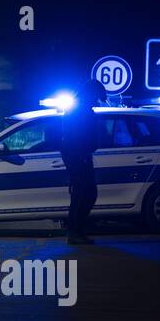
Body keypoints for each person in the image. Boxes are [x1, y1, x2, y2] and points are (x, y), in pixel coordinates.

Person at [60, 78, 106, 245]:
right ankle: (74, 231)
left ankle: (76, 230)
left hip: (81, 156)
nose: (97, 101)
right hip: (79, 157)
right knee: (83, 195)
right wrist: (80, 157)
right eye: (96, 97)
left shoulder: (80, 109)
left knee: (86, 194)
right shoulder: (79, 111)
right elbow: (73, 138)